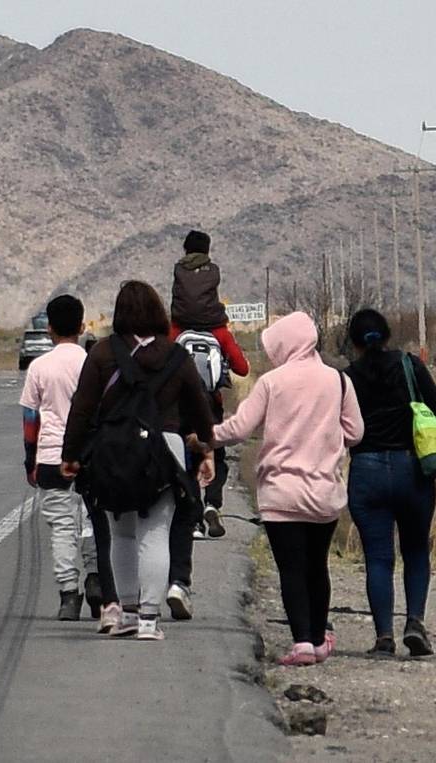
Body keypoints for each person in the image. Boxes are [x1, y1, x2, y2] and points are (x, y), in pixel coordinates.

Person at [62, 281, 216, 641]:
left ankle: (127, 613)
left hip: (114, 450)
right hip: (165, 449)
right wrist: (205, 449)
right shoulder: (176, 356)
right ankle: (149, 618)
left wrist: (71, 455)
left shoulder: (102, 353)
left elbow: (82, 408)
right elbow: (199, 409)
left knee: (121, 534)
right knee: (156, 533)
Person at [212, 312, 364, 665]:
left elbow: (239, 429)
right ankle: (318, 639)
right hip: (324, 492)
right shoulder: (338, 381)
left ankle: (302, 643)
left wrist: (206, 437)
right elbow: (356, 432)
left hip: (281, 491)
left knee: (291, 568)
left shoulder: (271, 382)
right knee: (317, 566)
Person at [344, 309, 436, 657]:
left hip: (366, 472)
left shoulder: (346, 379)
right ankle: (415, 623)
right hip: (412, 470)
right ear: (387, 335)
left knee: (378, 558)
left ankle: (383, 637)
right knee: (416, 550)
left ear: (354, 342)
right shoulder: (410, 366)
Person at [166, 229, 251, 621]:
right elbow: (243, 368)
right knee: (216, 453)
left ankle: (196, 512)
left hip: (180, 408)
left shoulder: (175, 329)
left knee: (186, 459)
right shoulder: (218, 329)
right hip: (212, 406)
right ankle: (214, 502)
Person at [20, 295, 114, 624]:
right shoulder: (93, 363)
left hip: (50, 456)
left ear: (49, 329)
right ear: (82, 325)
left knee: (61, 528)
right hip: (91, 455)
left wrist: (30, 459)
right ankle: (96, 579)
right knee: (92, 521)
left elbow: (30, 417)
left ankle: (68, 595)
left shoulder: (39, 367)